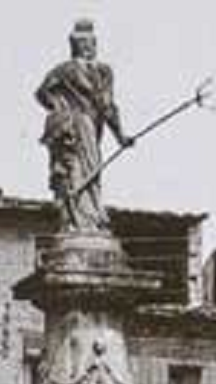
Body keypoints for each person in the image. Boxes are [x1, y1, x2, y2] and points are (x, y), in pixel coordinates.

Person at [35, 19, 134, 233]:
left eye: (90, 42)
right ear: (74, 45)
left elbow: (108, 107)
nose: (87, 47)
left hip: (92, 127)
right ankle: (76, 220)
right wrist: (61, 109)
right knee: (74, 171)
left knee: (91, 170)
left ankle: (88, 220)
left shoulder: (103, 72)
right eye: (82, 43)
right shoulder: (64, 70)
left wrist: (120, 136)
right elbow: (42, 93)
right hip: (73, 127)